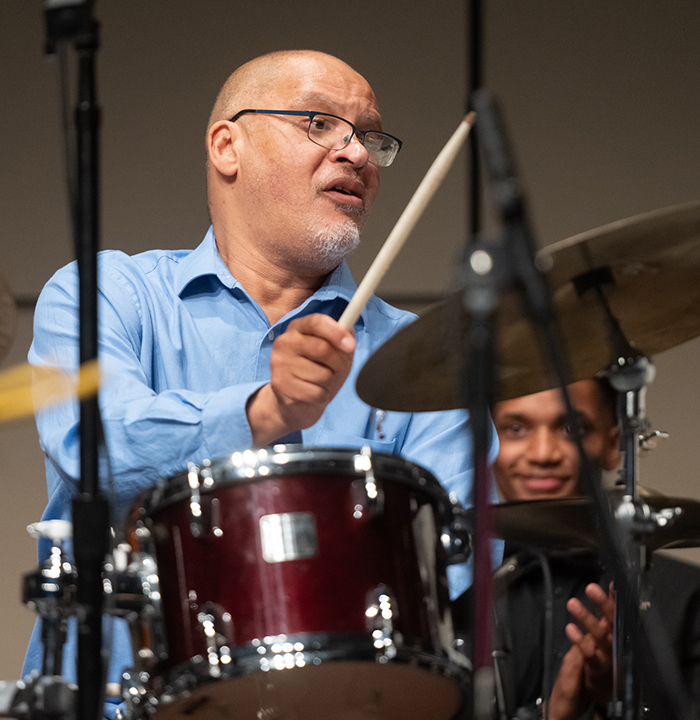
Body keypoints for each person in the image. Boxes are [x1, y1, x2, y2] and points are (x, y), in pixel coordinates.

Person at [23, 50, 495, 714]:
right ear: (227, 146)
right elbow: (92, 447)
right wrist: (264, 410)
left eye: (368, 137)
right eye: (320, 124)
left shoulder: (427, 356)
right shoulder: (105, 295)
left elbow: (454, 551)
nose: (356, 154)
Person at [492, 379, 700, 719]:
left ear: (613, 443)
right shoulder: (448, 595)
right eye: (516, 428)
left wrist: (612, 703)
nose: (543, 453)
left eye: (572, 428)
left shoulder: (687, 598)